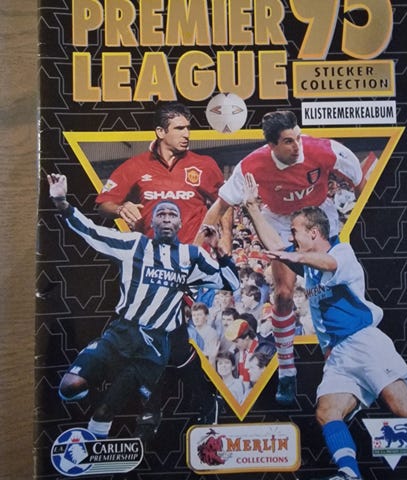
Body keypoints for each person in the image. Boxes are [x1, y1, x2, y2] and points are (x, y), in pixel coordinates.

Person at [242, 173, 407, 480]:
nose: (291, 238)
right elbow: (275, 245)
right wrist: (252, 208)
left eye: (295, 232)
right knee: (327, 412)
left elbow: (328, 264)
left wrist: (292, 255)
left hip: (364, 344)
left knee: (405, 408)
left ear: (314, 232)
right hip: (338, 355)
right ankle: (349, 473)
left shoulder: (341, 252)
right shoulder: (308, 263)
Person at [47, 173, 240, 440]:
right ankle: (107, 391)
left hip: (153, 346)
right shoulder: (133, 245)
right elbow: (91, 231)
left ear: (180, 223)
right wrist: (62, 203)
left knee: (106, 411)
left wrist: (218, 250)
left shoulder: (192, 256)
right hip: (120, 334)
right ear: (152, 222)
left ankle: (115, 421)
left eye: (172, 215)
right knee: (69, 387)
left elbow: (231, 283)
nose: (166, 219)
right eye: (161, 214)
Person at [196, 110, 365, 405]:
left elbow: (363, 183)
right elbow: (220, 206)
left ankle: (349, 362)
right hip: (279, 222)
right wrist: (196, 249)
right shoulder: (251, 165)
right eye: (288, 141)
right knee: (284, 295)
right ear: (271, 145)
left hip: (318, 216)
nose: (297, 146)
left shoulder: (325, 149)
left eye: (298, 137)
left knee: (333, 292)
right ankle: (287, 370)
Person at [95, 101, 231, 243]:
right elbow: (103, 205)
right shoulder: (133, 166)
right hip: (151, 253)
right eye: (179, 128)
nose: (186, 134)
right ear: (160, 132)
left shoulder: (205, 164)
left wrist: (227, 237)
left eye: (188, 128)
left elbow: (225, 202)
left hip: (194, 251)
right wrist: (120, 209)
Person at [224, 319, 276, 390]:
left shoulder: (267, 349)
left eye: (236, 341)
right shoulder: (237, 354)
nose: (235, 345)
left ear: (247, 337)